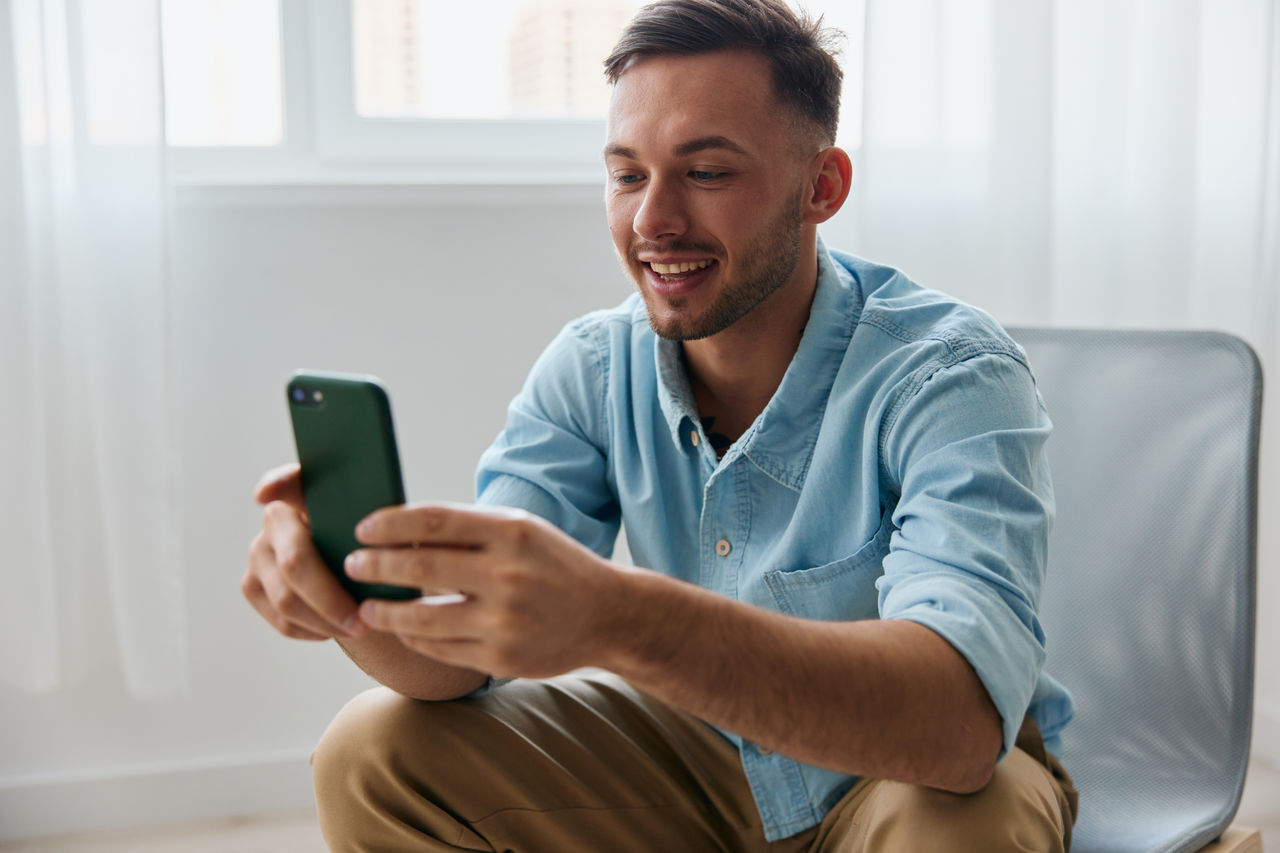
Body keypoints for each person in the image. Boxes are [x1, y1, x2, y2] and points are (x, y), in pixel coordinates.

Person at [244, 1, 1078, 849]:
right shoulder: (595, 368)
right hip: (702, 760)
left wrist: (621, 615)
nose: (652, 221)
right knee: (373, 748)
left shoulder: (952, 374)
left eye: (706, 173)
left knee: (963, 818)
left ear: (820, 187)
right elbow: (464, 656)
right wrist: (353, 597)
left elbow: (960, 725)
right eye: (627, 174)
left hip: (906, 770)